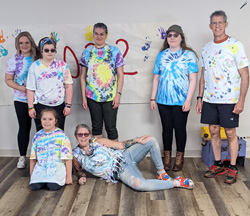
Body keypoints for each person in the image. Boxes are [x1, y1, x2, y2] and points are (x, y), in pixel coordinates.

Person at [196, 10, 249, 184]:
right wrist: (199, 97)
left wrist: (241, 100)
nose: (217, 26)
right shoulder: (206, 48)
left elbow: (245, 74)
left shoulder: (236, 45)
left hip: (230, 99)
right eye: (214, 23)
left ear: (226, 24)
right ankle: (217, 164)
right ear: (210, 26)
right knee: (213, 130)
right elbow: (203, 75)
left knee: (230, 132)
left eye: (220, 22)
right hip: (210, 98)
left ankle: (232, 167)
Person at [72, 123, 194, 191]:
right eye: (80, 134)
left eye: (85, 134)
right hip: (119, 171)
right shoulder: (75, 154)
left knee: (150, 140)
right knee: (139, 185)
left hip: (125, 156)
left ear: (89, 135)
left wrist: (136, 140)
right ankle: (176, 183)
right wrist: (81, 177)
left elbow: (120, 145)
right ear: (76, 136)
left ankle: (161, 172)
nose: (83, 137)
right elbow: (79, 171)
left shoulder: (98, 141)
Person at [150, 25, 198, 171]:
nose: (172, 38)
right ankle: (166, 158)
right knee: (166, 129)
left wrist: (188, 100)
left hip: (181, 100)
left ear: (181, 38)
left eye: (175, 35)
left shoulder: (189, 55)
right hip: (163, 100)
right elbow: (156, 78)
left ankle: (179, 158)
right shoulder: (161, 55)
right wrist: (153, 98)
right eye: (169, 35)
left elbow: (193, 80)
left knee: (180, 129)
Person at [80, 23, 124, 141]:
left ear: (106, 35)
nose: (99, 36)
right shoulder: (87, 52)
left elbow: (120, 74)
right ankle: (99, 157)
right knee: (96, 127)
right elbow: (83, 76)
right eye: (96, 34)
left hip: (110, 96)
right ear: (93, 34)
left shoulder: (114, 51)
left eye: (101, 34)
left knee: (111, 128)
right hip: (92, 96)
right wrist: (84, 97)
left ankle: (115, 157)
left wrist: (118, 94)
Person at [5, 31, 39, 169]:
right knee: (24, 127)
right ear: (17, 45)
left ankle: (39, 157)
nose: (24, 45)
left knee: (41, 128)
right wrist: (21, 88)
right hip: (20, 100)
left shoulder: (38, 59)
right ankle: (22, 157)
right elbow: (8, 80)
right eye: (21, 43)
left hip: (38, 99)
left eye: (27, 42)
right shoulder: (12, 61)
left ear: (31, 43)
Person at [26, 36, 73, 131]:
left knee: (58, 133)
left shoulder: (62, 65)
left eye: (52, 50)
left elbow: (68, 86)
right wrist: (30, 107)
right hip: (40, 106)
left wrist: (68, 105)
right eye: (46, 50)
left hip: (59, 106)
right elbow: (30, 89)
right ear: (41, 50)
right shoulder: (34, 66)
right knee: (41, 133)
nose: (50, 52)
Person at [29, 108, 73, 191]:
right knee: (35, 186)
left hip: (56, 167)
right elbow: (33, 158)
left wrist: (69, 177)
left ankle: (53, 180)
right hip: (41, 168)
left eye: (50, 119)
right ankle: (40, 179)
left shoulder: (62, 135)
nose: (47, 122)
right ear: (40, 120)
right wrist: (31, 176)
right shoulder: (37, 136)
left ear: (55, 121)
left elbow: (68, 158)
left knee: (53, 186)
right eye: (44, 119)